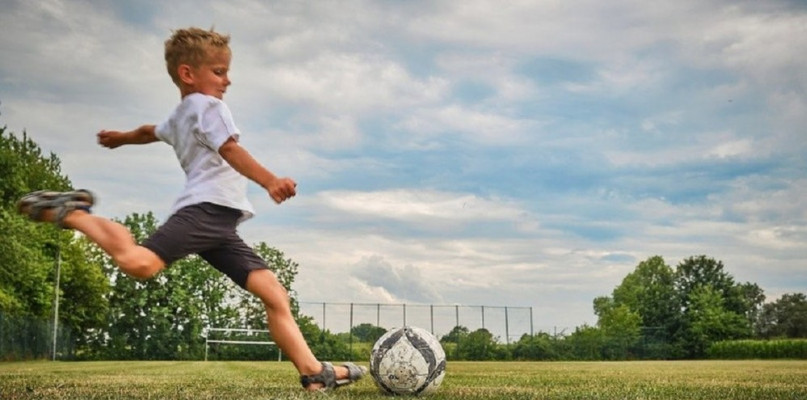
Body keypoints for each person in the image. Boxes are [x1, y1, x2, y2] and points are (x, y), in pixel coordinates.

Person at [17, 27, 365, 391]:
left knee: (273, 293)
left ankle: (315, 374)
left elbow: (150, 131)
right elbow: (230, 150)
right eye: (218, 72)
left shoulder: (181, 114)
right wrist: (270, 181)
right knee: (140, 262)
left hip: (220, 225)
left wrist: (121, 138)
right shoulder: (209, 107)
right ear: (187, 74)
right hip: (204, 212)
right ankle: (73, 213)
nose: (227, 81)